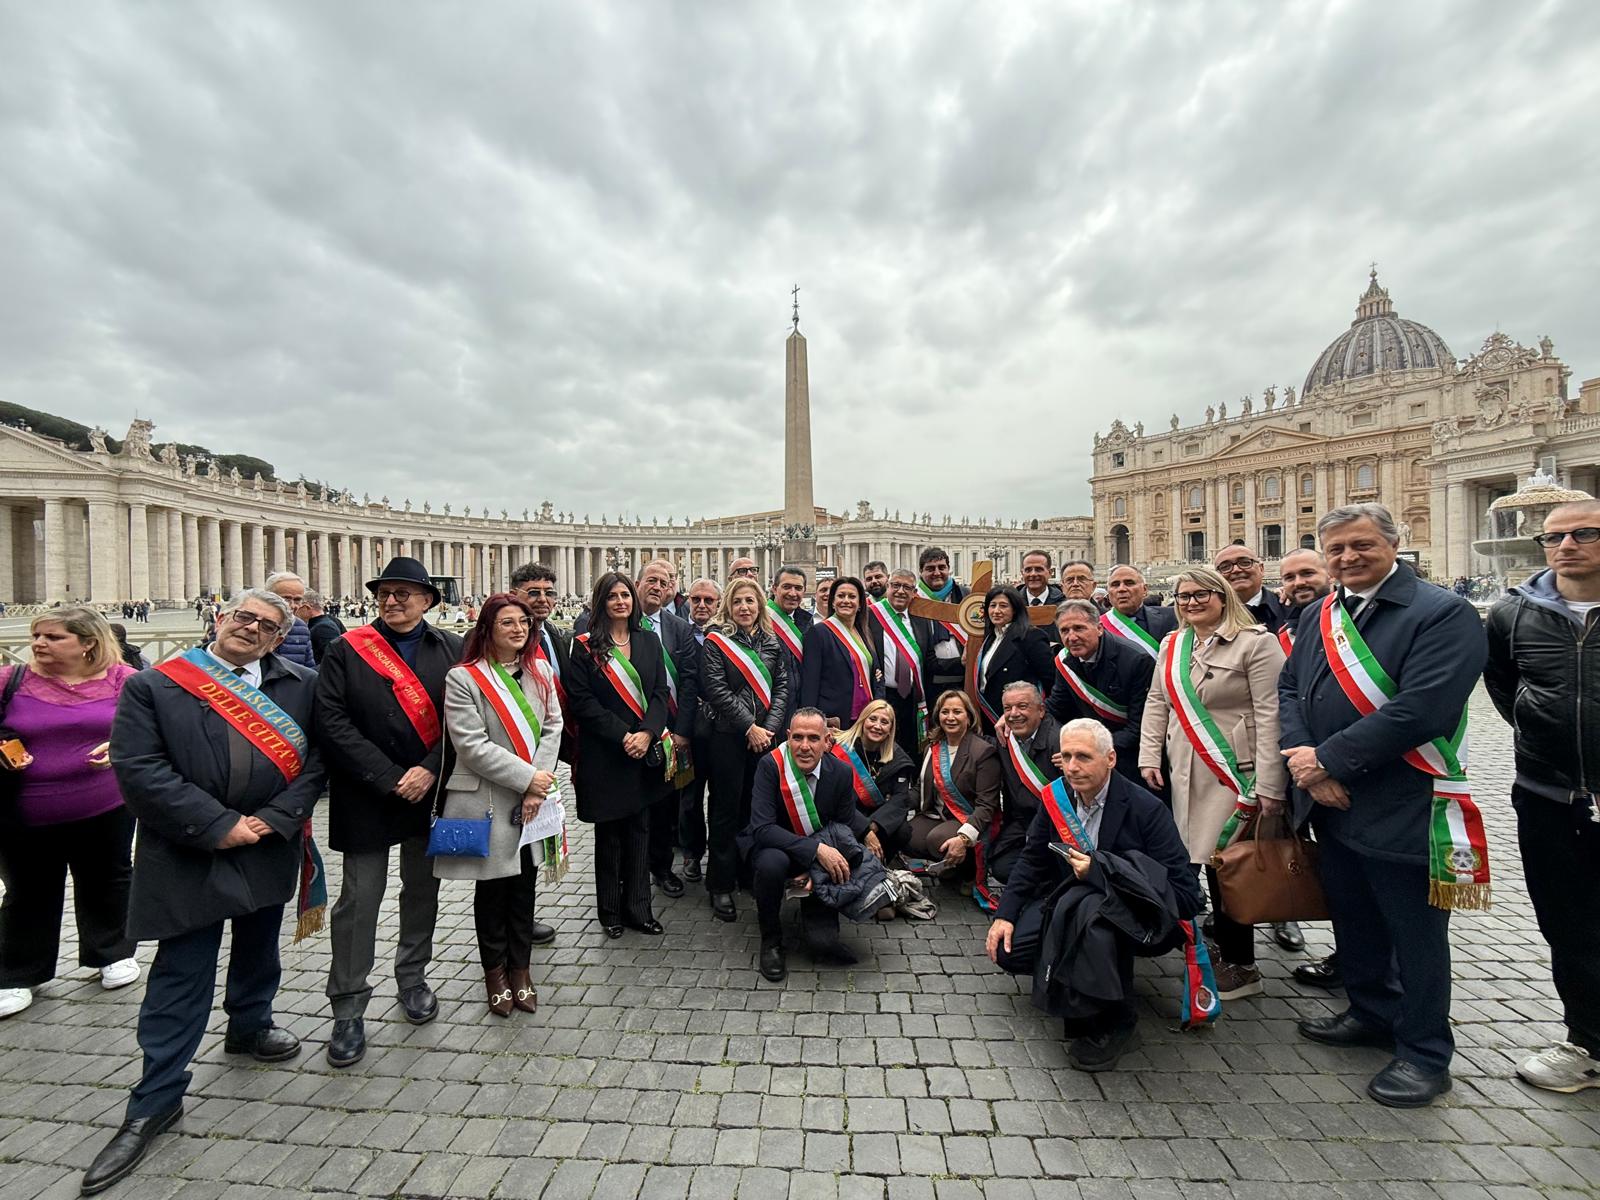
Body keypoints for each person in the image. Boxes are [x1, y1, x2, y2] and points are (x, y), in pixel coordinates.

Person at [84, 590, 324, 1194]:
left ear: (278, 638)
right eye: (242, 617)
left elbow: (318, 762)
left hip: (268, 838)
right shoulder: (156, 684)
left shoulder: (301, 683)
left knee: (259, 944)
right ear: (219, 620)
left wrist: (277, 817)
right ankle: (156, 1096)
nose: (251, 628)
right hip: (187, 846)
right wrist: (218, 825)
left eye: (267, 625)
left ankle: (250, 1024)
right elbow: (140, 768)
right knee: (182, 967)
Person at [1279, 503, 1486, 1108]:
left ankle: (1424, 1051)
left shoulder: (1442, 612)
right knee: (1355, 914)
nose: (1347, 558)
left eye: (1361, 545)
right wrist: (1306, 765)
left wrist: (1329, 761)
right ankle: (1370, 1011)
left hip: (1405, 796)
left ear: (1395, 544)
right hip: (1332, 798)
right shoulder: (1323, 609)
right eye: (1336, 549)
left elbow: (1422, 708)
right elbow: (1293, 688)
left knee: (1415, 932)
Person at [986, 720, 1200, 1072]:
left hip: (1134, 913)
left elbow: (1187, 895)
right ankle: (1075, 970)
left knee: (1093, 913)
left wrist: (1102, 872)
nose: (1072, 767)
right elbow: (1032, 860)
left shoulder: (1146, 808)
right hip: (1068, 901)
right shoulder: (1057, 798)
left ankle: (1115, 1018)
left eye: (1083, 757)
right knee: (1009, 953)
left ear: (1111, 759)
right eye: (1066, 756)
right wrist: (1004, 916)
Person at [317, 557, 462, 1068]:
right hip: (366, 793)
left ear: (428, 600)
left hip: (431, 790)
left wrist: (427, 768)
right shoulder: (345, 649)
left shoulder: (451, 647)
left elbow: (465, 718)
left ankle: (413, 976)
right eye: (385, 592)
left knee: (423, 889)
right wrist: (385, 775)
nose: (392, 600)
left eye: (405, 592)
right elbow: (330, 720)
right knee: (359, 900)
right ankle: (349, 1006)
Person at [1483, 498, 1600, 1092]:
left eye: (1584, 533)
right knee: (1568, 922)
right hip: (1548, 792)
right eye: (1553, 538)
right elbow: (1505, 689)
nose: (1566, 546)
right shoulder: (1511, 614)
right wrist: (1545, 743)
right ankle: (1588, 1042)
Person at [1139, 565, 1287, 1002]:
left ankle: (1243, 964)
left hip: (1234, 773)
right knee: (1200, 860)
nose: (1191, 602)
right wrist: (1149, 754)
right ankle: (1221, 947)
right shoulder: (1174, 644)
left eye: (1201, 594)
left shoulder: (1257, 645)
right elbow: (1156, 700)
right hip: (1185, 769)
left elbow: (1272, 714)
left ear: (1224, 597)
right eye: (1184, 596)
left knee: (1229, 866)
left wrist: (1271, 785)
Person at [0, 608, 140, 1022]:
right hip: (23, 807)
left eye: (54, 637)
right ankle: (18, 973)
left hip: (104, 803)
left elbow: (152, 728)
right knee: (26, 889)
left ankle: (112, 953)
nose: (39, 644)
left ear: (88, 642)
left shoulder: (123, 680)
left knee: (108, 878)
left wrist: (122, 746)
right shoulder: (10, 680)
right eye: (36, 635)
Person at [436, 594, 563, 1018]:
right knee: (490, 890)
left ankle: (521, 970)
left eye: (523, 622)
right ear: (486, 628)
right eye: (507, 622)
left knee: (524, 887)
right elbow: (470, 745)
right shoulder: (464, 678)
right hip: (486, 796)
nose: (518, 629)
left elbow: (552, 726)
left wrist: (537, 785)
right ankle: (494, 972)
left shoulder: (541, 670)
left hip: (532, 798)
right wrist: (528, 778)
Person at [566, 571, 671, 939]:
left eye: (626, 595)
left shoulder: (649, 642)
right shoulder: (583, 646)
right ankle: (610, 910)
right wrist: (623, 735)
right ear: (602, 602)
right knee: (609, 836)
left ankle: (639, 908)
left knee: (640, 832)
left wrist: (646, 732)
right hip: (605, 753)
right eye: (612, 596)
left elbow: (660, 692)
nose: (621, 602)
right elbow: (582, 702)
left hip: (642, 751)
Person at [744, 708, 870, 982]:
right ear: (787, 737)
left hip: (818, 858)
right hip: (778, 848)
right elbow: (763, 829)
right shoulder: (770, 766)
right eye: (797, 737)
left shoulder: (841, 772)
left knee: (823, 945)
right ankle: (771, 940)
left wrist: (817, 871)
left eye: (813, 738)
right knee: (769, 866)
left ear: (828, 741)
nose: (804, 746)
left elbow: (843, 829)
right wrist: (814, 852)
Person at [697, 577, 790, 922]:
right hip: (728, 737)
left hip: (765, 737)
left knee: (757, 809)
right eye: (738, 602)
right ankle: (720, 883)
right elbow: (716, 690)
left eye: (750, 601)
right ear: (728, 607)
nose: (745, 608)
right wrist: (748, 727)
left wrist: (769, 728)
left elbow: (782, 686)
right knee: (724, 809)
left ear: (760, 605)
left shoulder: (772, 642)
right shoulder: (716, 642)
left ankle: (749, 870)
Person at [1275, 547, 1336, 968]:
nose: (1299, 583)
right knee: (1289, 845)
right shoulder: (1293, 623)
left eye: (1307, 573)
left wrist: (1330, 760)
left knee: (1346, 868)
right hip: (1293, 756)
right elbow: (1288, 692)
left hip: (1345, 764)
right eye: (1290, 576)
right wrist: (1304, 755)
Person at [636, 559, 702, 898]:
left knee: (666, 803)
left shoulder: (679, 627)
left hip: (672, 729)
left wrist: (684, 730)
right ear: (638, 583)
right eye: (651, 580)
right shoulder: (620, 622)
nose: (657, 587)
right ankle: (631, 871)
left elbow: (689, 682)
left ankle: (661, 868)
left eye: (664, 582)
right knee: (633, 804)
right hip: (633, 730)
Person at [1046, 599, 1155, 783]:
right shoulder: (1065, 661)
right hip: (1085, 753)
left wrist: (1088, 748)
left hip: (1128, 758)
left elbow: (1139, 728)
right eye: (1064, 630)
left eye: (1079, 628)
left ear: (1099, 628)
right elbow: (1056, 706)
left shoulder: (1137, 660)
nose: (1071, 637)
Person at [907, 690, 1001, 884]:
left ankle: (967, 874)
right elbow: (919, 788)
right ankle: (949, 866)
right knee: (904, 832)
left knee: (936, 839)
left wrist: (965, 836)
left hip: (969, 818)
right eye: (945, 712)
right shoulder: (932, 747)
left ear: (969, 716)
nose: (950, 717)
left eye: (957, 712)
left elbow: (986, 805)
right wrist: (892, 808)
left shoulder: (983, 751)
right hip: (938, 815)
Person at [988, 682, 1061, 884]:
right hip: (1023, 824)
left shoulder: (1061, 742)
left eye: (1022, 706)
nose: (1014, 714)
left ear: (1041, 710)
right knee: (1001, 868)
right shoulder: (1005, 738)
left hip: (1056, 828)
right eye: (1007, 708)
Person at [832, 699, 917, 861]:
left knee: (903, 831)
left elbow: (900, 799)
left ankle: (882, 863)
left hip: (877, 819)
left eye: (884, 722)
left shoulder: (899, 759)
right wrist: (863, 830)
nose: (877, 726)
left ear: (890, 729)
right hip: (847, 814)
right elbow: (836, 798)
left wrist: (873, 826)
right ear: (863, 720)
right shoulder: (840, 749)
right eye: (873, 719)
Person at [678, 576, 720, 881]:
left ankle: (720, 855)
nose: (702, 605)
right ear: (688, 601)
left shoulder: (729, 635)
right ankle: (692, 852)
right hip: (689, 729)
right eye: (696, 599)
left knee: (721, 797)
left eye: (709, 600)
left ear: (718, 604)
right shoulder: (679, 633)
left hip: (722, 731)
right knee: (689, 798)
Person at [800, 575, 883, 729]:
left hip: (866, 719)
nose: (846, 600)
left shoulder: (865, 633)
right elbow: (810, 684)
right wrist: (813, 722)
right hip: (835, 720)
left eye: (852, 596)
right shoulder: (818, 632)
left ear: (859, 604)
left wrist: (877, 706)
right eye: (841, 596)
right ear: (833, 601)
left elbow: (877, 675)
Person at [973, 584, 1056, 730]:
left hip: (1020, 720)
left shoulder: (1031, 637)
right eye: (992, 606)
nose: (996, 611)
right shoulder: (989, 639)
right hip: (991, 719)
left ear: (1015, 610)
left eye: (1003, 606)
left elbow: (1050, 680)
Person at [871, 568, 927, 760]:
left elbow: (929, 658)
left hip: (914, 697)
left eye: (907, 587)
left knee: (913, 747)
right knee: (885, 747)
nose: (900, 591)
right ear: (888, 587)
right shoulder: (871, 616)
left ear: (914, 593)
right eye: (896, 586)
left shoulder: (922, 621)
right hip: (884, 695)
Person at [912, 547, 968, 702]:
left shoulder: (966, 596)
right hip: (930, 682)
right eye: (930, 569)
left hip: (965, 680)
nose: (937, 573)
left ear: (949, 569)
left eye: (942, 567)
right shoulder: (913, 601)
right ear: (921, 572)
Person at [1101, 565, 1177, 659]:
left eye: (1129, 583)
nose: (1121, 589)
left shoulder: (1173, 617)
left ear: (1144, 590)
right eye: (1115, 584)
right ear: (1108, 593)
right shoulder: (1098, 626)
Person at [767, 565, 812, 719]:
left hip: (800, 706)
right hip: (770, 707)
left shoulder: (807, 621)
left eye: (798, 588)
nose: (793, 593)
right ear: (774, 589)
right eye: (786, 587)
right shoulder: (760, 620)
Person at [1214, 544, 1287, 633]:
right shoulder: (1209, 615)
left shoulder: (1289, 607)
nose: (1236, 570)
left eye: (1245, 563)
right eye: (1225, 567)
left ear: (1261, 569)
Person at [264, 571, 319, 669]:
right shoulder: (252, 626)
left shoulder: (301, 627)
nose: (292, 605)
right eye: (286, 599)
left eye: (297, 600)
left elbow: (309, 668)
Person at [300, 589, 348, 664]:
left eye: (299, 607)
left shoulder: (323, 628)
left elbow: (334, 660)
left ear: (306, 607)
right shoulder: (332, 621)